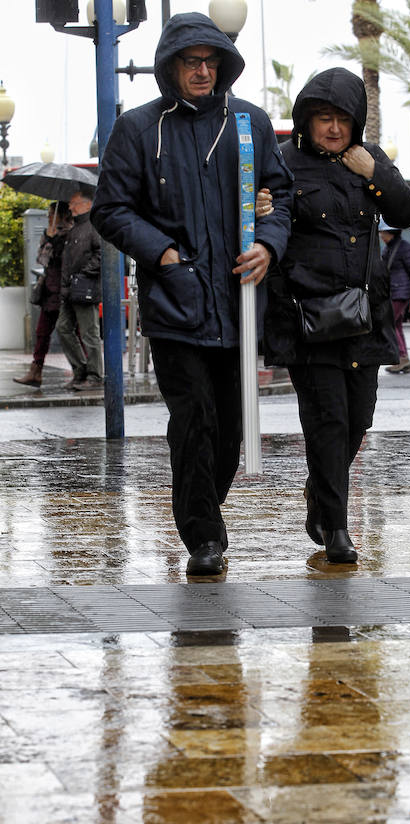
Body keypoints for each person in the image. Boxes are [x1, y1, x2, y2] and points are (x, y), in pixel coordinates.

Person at [90, 13, 293, 577]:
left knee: (229, 425)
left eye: (211, 61)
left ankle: (206, 510)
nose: (202, 71)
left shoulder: (251, 122)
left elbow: (280, 197)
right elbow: (110, 209)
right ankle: (204, 536)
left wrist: (270, 246)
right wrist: (164, 254)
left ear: (223, 65)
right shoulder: (137, 129)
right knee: (194, 417)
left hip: (238, 299)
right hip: (176, 303)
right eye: (191, 61)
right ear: (171, 66)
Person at [263, 68, 410, 565]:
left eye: (343, 119)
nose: (332, 128)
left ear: (358, 122)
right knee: (328, 420)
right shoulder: (282, 163)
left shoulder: (369, 161)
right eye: (323, 118)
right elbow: (260, 223)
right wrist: (261, 206)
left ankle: (319, 488)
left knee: (358, 418)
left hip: (363, 314)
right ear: (305, 120)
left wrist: (374, 173)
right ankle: (336, 526)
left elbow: (406, 212)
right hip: (308, 315)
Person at [13, 201, 72, 388]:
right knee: (42, 333)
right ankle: (35, 371)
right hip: (48, 289)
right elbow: (41, 259)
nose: (48, 216)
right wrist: (48, 238)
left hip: (63, 290)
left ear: (61, 214)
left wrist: (55, 239)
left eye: (51, 213)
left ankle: (83, 371)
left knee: (72, 333)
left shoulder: (70, 232)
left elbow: (65, 259)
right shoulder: (48, 233)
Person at [56, 189, 103, 391]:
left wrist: (83, 274)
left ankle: (94, 375)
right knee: (63, 328)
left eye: (74, 203)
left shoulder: (93, 226)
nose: (70, 207)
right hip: (70, 289)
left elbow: (101, 254)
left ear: (87, 204)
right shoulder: (74, 228)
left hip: (84, 287)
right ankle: (81, 370)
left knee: (89, 333)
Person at [379, 220, 410, 374]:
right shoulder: (390, 248)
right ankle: (403, 359)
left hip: (400, 293)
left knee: (390, 324)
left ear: (390, 232)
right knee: (396, 325)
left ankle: (402, 358)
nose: (380, 235)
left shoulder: (404, 248)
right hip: (394, 292)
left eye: (382, 233)